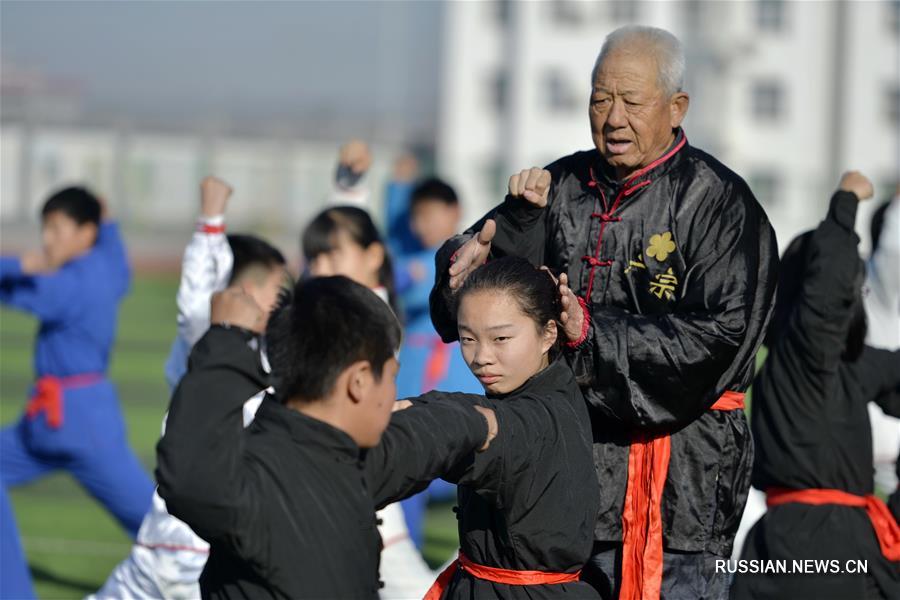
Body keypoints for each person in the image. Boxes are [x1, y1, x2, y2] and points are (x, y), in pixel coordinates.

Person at [430, 25, 778, 600]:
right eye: (600, 98)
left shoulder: (720, 202)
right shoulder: (560, 183)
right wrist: (469, 263)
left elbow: (720, 336)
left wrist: (589, 333)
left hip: (679, 485)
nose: (613, 117)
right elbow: (481, 278)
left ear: (675, 107)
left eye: (632, 101)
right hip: (563, 479)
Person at [156, 277, 496, 599]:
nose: (395, 393)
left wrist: (485, 421)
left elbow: (427, 431)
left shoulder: (352, 454)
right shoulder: (257, 483)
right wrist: (227, 338)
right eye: (392, 376)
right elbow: (189, 477)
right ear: (359, 381)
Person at [92, 176, 288, 599]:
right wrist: (210, 221)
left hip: (193, 551)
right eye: (278, 287)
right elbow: (196, 301)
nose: (284, 298)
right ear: (245, 290)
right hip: (171, 551)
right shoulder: (208, 339)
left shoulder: (275, 356)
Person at [730, 172, 900, 600]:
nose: (852, 297)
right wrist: (845, 203)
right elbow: (825, 295)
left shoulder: (842, 367)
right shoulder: (802, 360)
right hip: (811, 551)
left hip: (834, 547)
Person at [0, 187, 155, 598]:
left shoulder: (68, 284)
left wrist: (19, 263)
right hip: (59, 422)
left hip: (78, 426)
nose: (47, 239)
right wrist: (110, 224)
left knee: (164, 529)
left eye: (56, 228)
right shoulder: (108, 267)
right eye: (45, 228)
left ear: (85, 233)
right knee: (160, 526)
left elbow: (12, 284)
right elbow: (116, 255)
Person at [420, 256, 600, 600]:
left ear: (548, 334)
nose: (481, 356)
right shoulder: (529, 388)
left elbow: (470, 429)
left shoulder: (540, 418)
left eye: (500, 339)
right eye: (467, 339)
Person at [302, 204, 439, 598]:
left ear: (374, 257)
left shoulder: (370, 315)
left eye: (332, 254)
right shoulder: (335, 310)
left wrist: (349, 189)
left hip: (363, 488)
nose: (320, 267)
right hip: (334, 485)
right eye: (314, 258)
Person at [393, 177, 483, 547]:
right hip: (413, 384)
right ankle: (405, 562)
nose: (422, 224)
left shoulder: (474, 259)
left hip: (461, 385)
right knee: (405, 479)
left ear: (454, 212)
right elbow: (388, 266)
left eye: (430, 214)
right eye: (416, 216)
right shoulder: (406, 260)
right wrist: (398, 188)